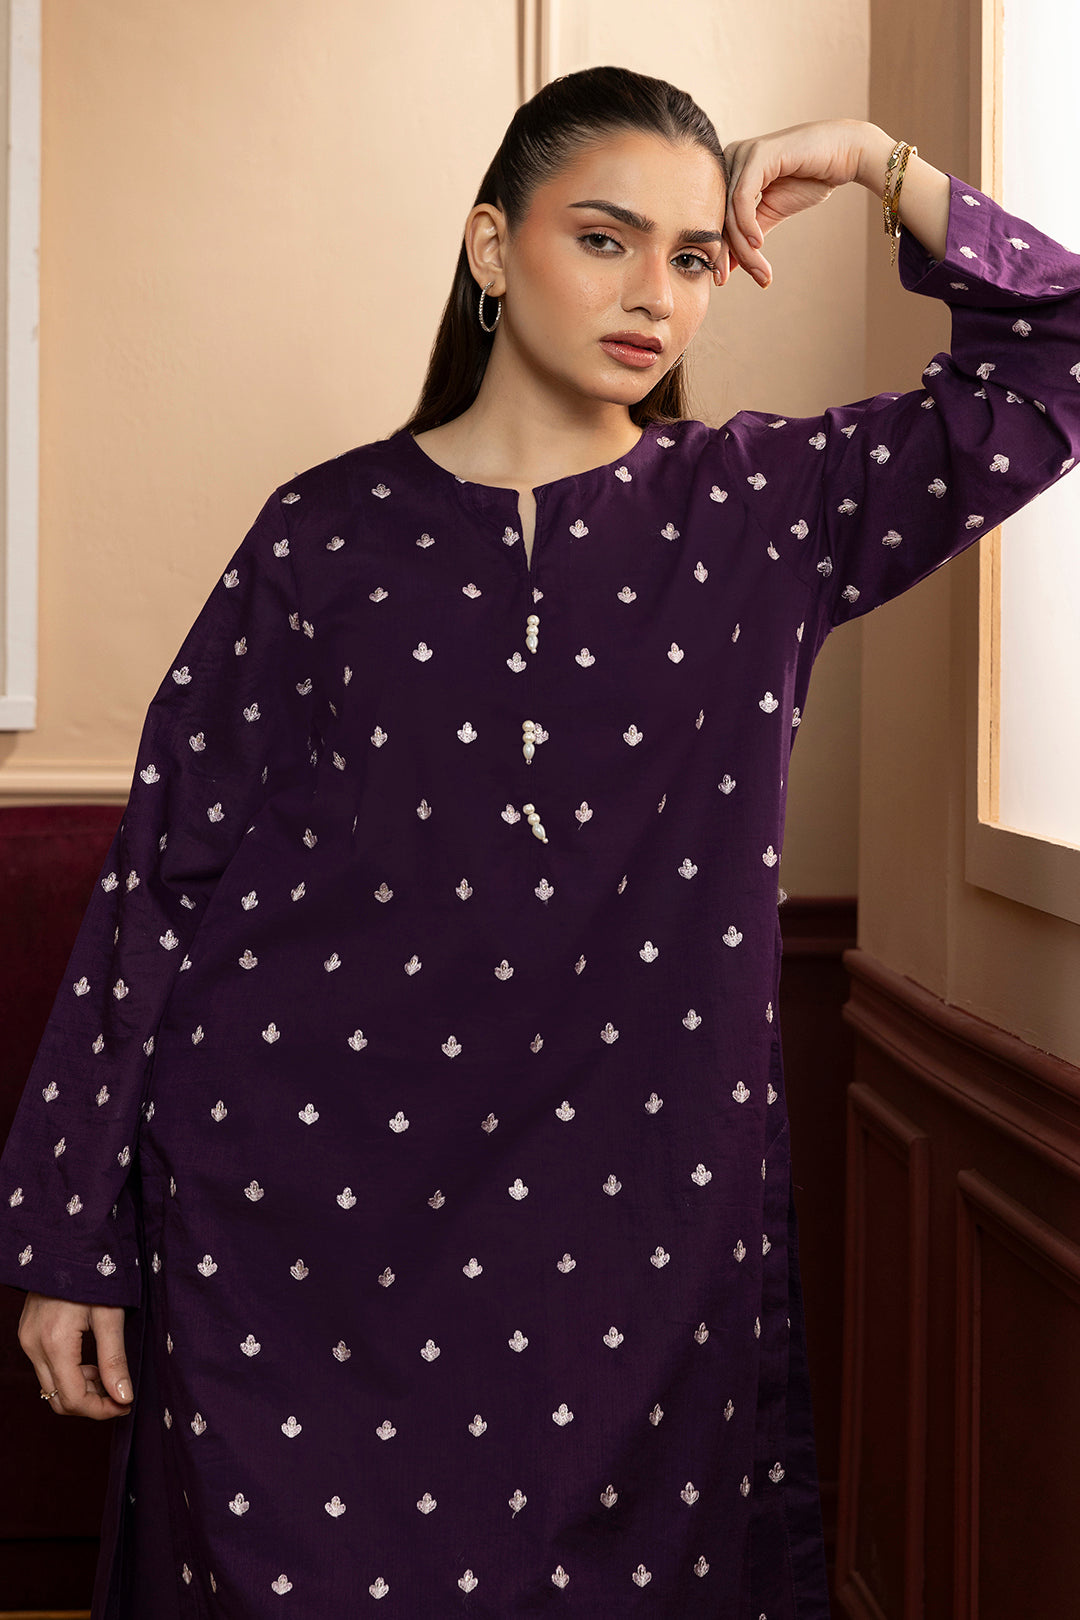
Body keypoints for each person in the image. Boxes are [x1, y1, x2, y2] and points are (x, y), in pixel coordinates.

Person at [2, 61, 1078, 1619]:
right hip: (292, 1222)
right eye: (605, 238)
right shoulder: (321, 534)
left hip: (625, 1250)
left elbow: (1054, 363)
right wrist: (70, 1236)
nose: (655, 292)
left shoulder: (761, 513)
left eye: (694, 255)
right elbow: (164, 878)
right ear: (492, 247)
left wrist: (871, 156)